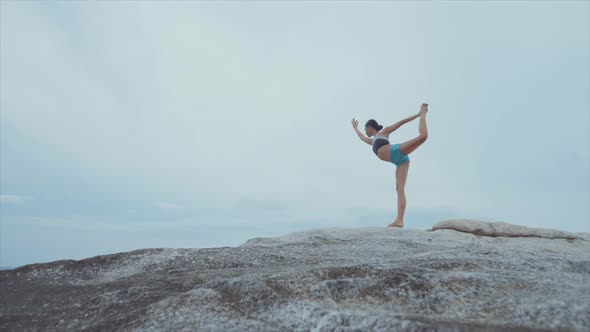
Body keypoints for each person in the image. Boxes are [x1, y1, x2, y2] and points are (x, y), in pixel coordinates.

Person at [351, 103, 429, 228]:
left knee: (423, 137)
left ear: (369, 127)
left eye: (365, 129)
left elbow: (401, 122)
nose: (365, 132)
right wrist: (355, 128)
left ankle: (423, 113)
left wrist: (418, 114)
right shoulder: (372, 141)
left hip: (396, 150)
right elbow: (361, 137)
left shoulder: (384, 132)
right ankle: (399, 221)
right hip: (400, 161)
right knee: (400, 189)